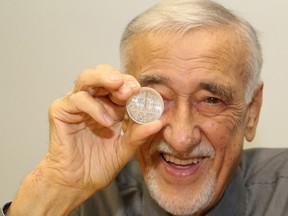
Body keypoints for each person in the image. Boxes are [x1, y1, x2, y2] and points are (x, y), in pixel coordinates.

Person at [3, 0, 288, 215]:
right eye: (158, 97)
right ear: (125, 103)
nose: (181, 138)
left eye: (211, 100)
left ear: (251, 112)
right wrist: (55, 186)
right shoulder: (89, 198)